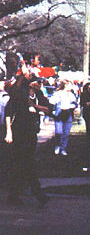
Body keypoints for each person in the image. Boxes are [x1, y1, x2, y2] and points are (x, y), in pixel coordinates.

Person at [4, 63, 50, 206]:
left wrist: (35, 106)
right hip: (19, 131)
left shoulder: (39, 95)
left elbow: (48, 109)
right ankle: (38, 194)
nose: (38, 83)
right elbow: (8, 112)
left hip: (31, 132)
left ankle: (14, 195)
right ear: (28, 83)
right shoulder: (19, 94)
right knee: (26, 162)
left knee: (22, 164)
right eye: (34, 80)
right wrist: (9, 132)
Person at [50, 79, 78, 156]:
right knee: (59, 132)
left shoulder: (71, 94)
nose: (71, 87)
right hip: (59, 115)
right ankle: (57, 145)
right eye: (70, 85)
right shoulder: (58, 93)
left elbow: (75, 104)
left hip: (68, 114)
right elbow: (52, 102)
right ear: (65, 85)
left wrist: (73, 106)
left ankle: (63, 148)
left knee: (66, 133)